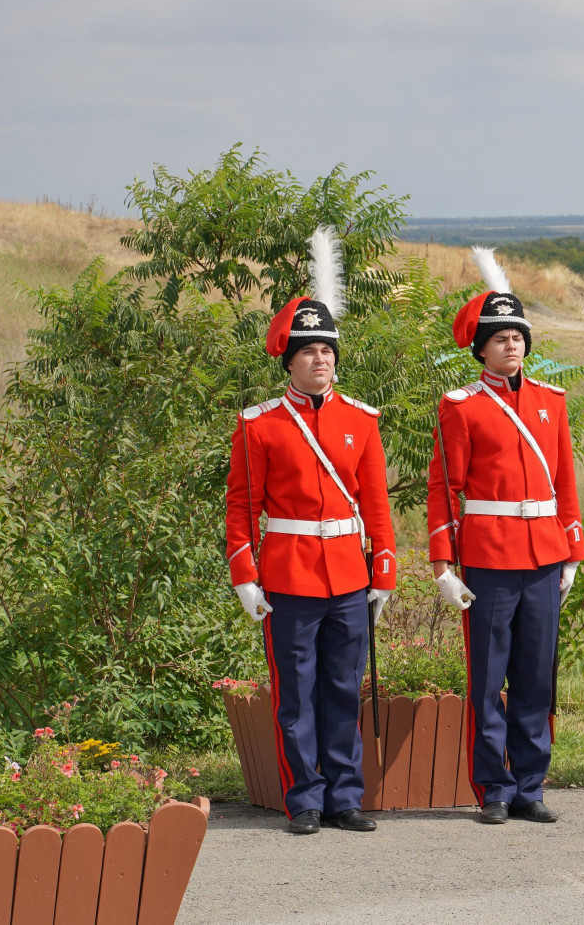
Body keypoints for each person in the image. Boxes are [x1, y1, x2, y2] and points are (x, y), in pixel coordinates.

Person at [225, 228, 396, 835]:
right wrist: (245, 574)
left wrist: (384, 572)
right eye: (309, 351)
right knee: (294, 696)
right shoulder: (259, 426)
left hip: (349, 573)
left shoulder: (361, 422)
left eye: (327, 350)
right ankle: (305, 799)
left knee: (343, 690)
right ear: (289, 360)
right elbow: (241, 507)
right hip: (290, 573)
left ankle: (346, 795)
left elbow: (376, 506)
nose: (321, 359)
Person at [428, 248, 584, 825]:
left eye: (517, 335)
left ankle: (530, 785)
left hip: (544, 552)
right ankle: (493, 787)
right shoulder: (460, 407)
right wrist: (443, 565)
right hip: (489, 555)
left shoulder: (551, 403)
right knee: (489, 677)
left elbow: (565, 481)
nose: (511, 345)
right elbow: (444, 489)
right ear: (481, 349)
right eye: (499, 338)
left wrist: (573, 552)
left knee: (536, 677)